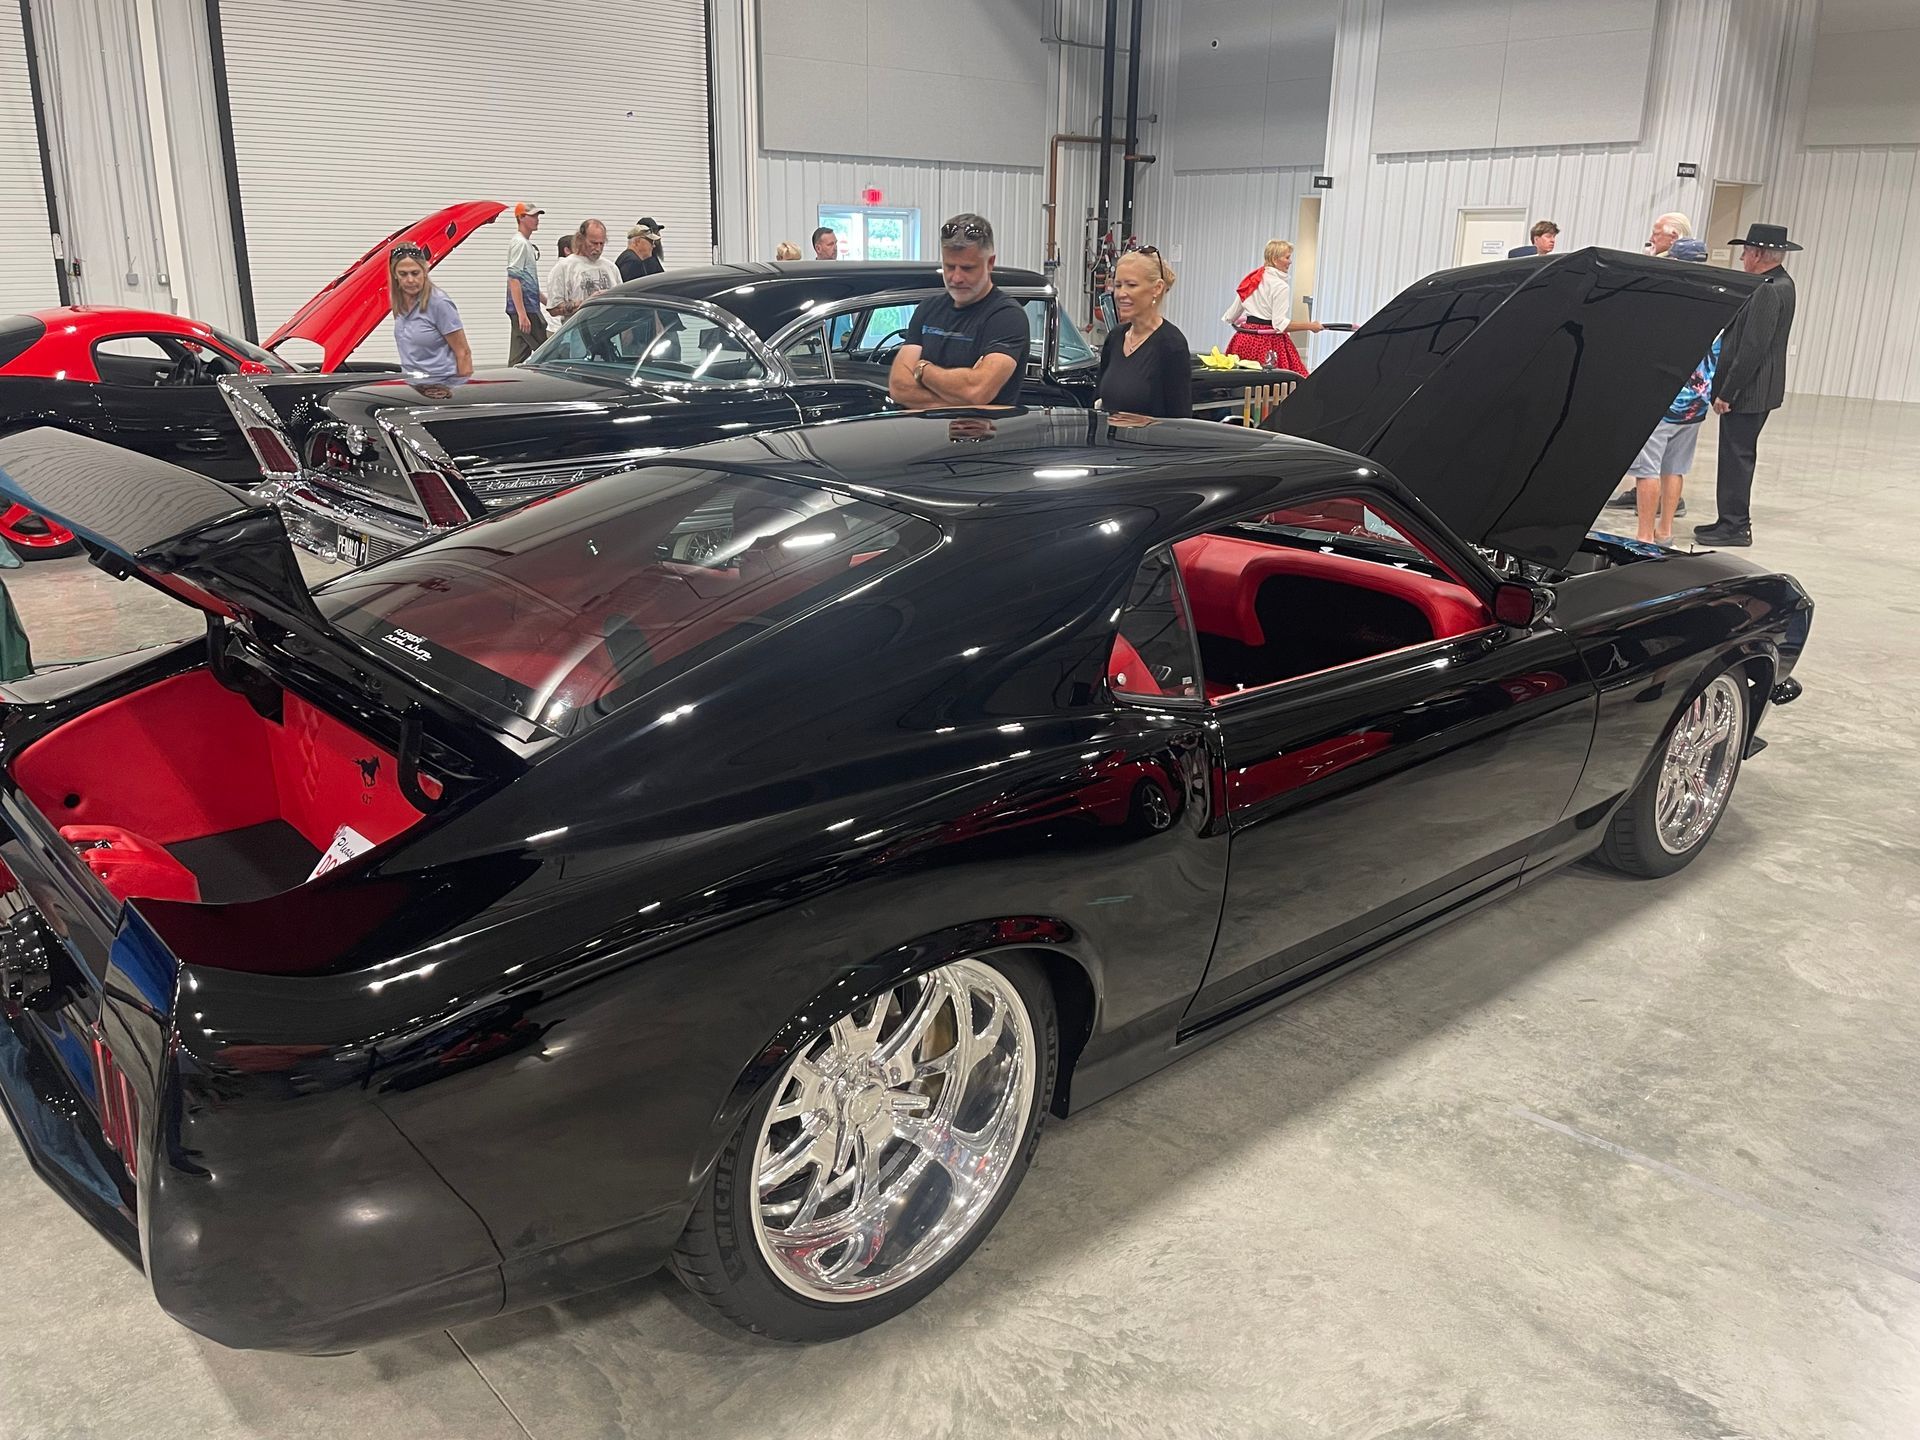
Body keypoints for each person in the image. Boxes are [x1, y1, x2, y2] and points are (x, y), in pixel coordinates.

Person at [1695, 223, 1800, 548]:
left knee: (1736, 456)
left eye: (1745, 252)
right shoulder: (1781, 283)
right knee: (1738, 454)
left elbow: (1753, 346)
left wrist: (1728, 392)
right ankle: (1730, 520)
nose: (1742, 257)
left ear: (1758, 254)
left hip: (1750, 391)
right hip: (1758, 388)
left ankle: (1735, 525)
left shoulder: (1768, 288)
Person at [1626, 239, 1716, 545]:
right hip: (1696, 403)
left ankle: (1643, 536)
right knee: (1675, 468)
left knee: (1647, 471)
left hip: (1662, 401)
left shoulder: (1671, 303)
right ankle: (1665, 532)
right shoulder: (1718, 302)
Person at [888, 213, 1026, 409]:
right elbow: (899, 386)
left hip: (984, 437)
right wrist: (962, 398)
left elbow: (976, 390)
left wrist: (922, 369)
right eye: (949, 267)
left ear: (990, 263)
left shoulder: (1007, 316)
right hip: (927, 437)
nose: (956, 278)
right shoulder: (927, 309)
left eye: (968, 268)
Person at [1097, 248, 1191, 419]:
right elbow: (1099, 402)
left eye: (1131, 285)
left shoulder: (1172, 345)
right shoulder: (1115, 338)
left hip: (1148, 444)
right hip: (1109, 444)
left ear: (1157, 288)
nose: (1120, 294)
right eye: (1118, 285)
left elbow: (1179, 423)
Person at [1221, 240, 1322, 374]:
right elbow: (1280, 324)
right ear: (1275, 259)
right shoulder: (1280, 286)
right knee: (1286, 383)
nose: (1290, 261)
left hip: (1243, 340)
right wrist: (1311, 326)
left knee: (1241, 382)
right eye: (1287, 257)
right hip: (1268, 344)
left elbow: (1231, 316)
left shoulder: (1251, 280)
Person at [388, 242, 471, 384]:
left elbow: (463, 353)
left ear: (425, 271)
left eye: (415, 273)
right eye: (403, 274)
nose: (410, 280)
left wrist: (460, 393)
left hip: (440, 389)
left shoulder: (439, 303)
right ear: (395, 275)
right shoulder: (400, 303)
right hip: (412, 386)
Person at [547, 220, 621, 321]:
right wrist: (588, 302)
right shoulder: (564, 267)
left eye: (601, 243)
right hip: (578, 331)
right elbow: (554, 309)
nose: (598, 248)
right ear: (581, 239)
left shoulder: (611, 268)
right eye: (593, 243)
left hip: (609, 329)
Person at [505, 202, 546, 365]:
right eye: (533, 216)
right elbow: (514, 278)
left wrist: (546, 301)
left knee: (519, 354)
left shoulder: (525, 243)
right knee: (548, 350)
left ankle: (510, 383)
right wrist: (522, 313)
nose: (537, 219)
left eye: (537, 216)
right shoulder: (520, 243)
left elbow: (527, 281)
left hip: (525, 306)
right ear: (521, 218)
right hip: (526, 308)